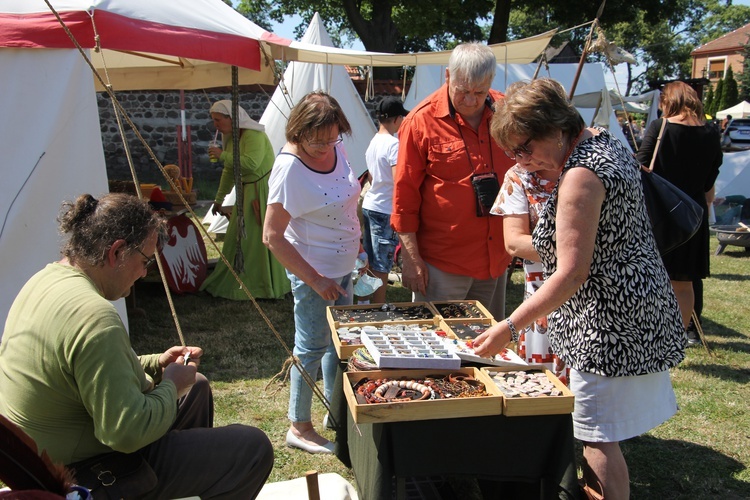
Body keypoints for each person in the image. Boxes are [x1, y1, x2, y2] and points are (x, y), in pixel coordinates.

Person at [473, 79, 685, 500]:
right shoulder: (601, 143)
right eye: (514, 152)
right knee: (602, 433)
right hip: (630, 307)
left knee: (598, 436)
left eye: (524, 148)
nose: (521, 160)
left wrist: (509, 327)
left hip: (608, 324)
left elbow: (571, 273)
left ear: (554, 127)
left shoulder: (581, 175)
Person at [0, 193, 274, 499]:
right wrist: (169, 385)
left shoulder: (43, 280)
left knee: (195, 386)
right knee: (251, 448)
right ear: (117, 252)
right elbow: (123, 432)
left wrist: (156, 364)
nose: (145, 272)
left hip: (54, 453)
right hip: (84, 474)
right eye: (145, 261)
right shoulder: (94, 316)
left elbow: (77, 369)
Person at [263, 91, 362, 454]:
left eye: (331, 138)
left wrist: (358, 242)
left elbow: (348, 200)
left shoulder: (338, 147)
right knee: (310, 348)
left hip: (345, 267)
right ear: (298, 131)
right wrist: (316, 280)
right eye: (315, 141)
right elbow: (272, 236)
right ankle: (299, 427)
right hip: (315, 275)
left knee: (338, 346)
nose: (324, 147)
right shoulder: (289, 168)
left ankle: (335, 413)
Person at [391, 42, 514, 319]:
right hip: (442, 264)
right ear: (447, 76)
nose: (471, 100)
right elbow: (404, 196)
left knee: (486, 348)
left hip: (494, 260)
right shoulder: (420, 122)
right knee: (438, 352)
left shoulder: (507, 112)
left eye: (479, 92)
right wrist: (410, 259)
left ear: (491, 82)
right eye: (463, 91)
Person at [636, 82, 722, 344]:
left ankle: (650, 332)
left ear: (667, 101)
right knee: (685, 282)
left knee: (649, 278)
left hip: (659, 212)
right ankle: (678, 338)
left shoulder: (660, 127)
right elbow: (710, 179)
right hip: (693, 215)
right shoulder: (711, 132)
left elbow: (639, 165)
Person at [201, 100, 290, 300]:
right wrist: (219, 199)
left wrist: (222, 155)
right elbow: (230, 171)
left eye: (218, 120)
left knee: (260, 239)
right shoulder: (232, 137)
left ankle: (266, 285)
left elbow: (251, 164)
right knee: (240, 239)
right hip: (247, 191)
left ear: (231, 118)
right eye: (213, 120)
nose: (215, 124)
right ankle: (244, 281)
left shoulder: (253, 135)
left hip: (262, 191)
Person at [490, 165, 568, 383]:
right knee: (543, 388)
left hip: (594, 304)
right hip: (540, 299)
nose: (519, 156)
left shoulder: (589, 164)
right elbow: (514, 243)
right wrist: (581, 250)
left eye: (525, 147)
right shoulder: (519, 175)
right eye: (513, 151)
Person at [361, 97, 410, 304]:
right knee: (381, 264)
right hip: (384, 208)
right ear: (398, 119)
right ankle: (378, 306)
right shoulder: (393, 144)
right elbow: (399, 179)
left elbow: (371, 177)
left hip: (371, 204)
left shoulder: (374, 141)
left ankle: (365, 302)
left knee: (371, 261)